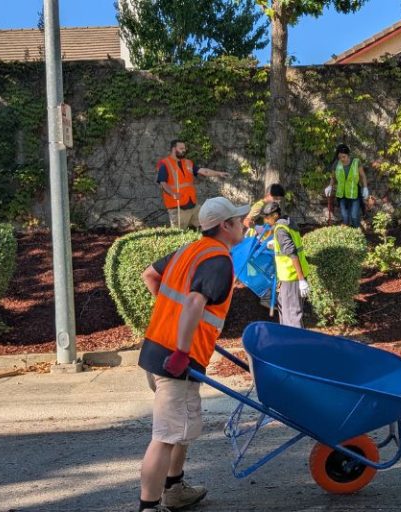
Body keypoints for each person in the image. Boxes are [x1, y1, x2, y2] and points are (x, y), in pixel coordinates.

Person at [136, 196, 249, 512]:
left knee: (181, 427)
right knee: (166, 435)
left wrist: (171, 319)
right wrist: (183, 349)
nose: (243, 225)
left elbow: (150, 275)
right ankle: (149, 507)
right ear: (225, 226)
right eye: (238, 221)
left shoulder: (188, 250)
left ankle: (174, 489)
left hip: (156, 348)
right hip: (176, 358)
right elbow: (194, 303)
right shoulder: (219, 260)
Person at [156, 139, 229, 229]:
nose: (184, 150)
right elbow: (163, 183)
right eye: (181, 148)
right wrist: (173, 194)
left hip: (193, 206)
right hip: (178, 208)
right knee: (179, 235)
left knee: (208, 228)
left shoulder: (188, 162)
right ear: (174, 149)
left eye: (184, 148)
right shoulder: (165, 164)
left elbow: (203, 171)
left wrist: (218, 173)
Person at [261, 201, 310, 328]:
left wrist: (301, 280)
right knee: (284, 309)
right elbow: (290, 245)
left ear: (275, 215)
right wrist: (276, 243)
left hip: (292, 277)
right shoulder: (288, 223)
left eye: (267, 217)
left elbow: (292, 253)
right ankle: (286, 340)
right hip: (289, 277)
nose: (266, 221)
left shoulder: (280, 230)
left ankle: (298, 345)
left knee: (292, 315)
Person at [324, 144, 369, 228]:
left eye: (343, 157)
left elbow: (362, 175)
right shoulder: (336, 164)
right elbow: (333, 178)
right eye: (340, 157)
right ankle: (348, 237)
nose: (342, 159)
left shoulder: (356, 162)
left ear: (348, 155)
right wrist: (330, 186)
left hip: (354, 194)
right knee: (345, 218)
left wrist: (365, 187)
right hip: (342, 195)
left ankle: (358, 235)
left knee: (354, 216)